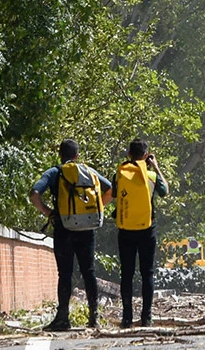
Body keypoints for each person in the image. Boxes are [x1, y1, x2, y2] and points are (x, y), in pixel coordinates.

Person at [30, 139, 113, 331]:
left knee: (65, 273)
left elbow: (34, 194)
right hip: (87, 229)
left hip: (63, 228)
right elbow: (111, 190)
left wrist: (49, 212)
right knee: (89, 271)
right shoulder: (89, 171)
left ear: (60, 154)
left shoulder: (55, 172)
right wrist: (95, 210)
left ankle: (63, 318)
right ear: (77, 156)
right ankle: (94, 317)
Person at [112, 138, 170, 328]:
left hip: (125, 230)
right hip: (147, 230)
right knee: (147, 273)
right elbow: (165, 191)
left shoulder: (120, 174)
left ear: (129, 154)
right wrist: (156, 166)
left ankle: (127, 318)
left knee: (126, 274)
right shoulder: (152, 176)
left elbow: (114, 194)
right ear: (146, 156)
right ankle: (147, 317)